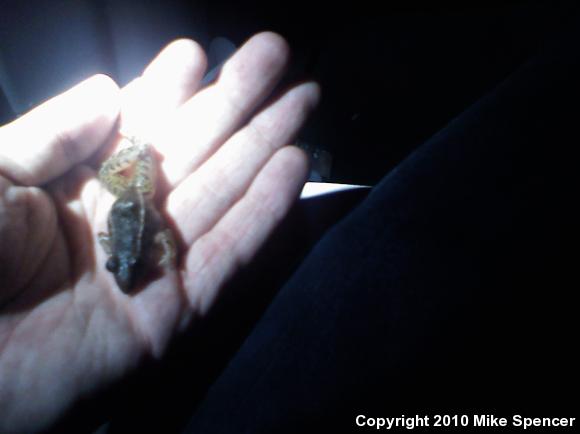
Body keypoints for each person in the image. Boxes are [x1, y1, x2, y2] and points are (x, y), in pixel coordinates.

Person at [1, 24, 577, 432]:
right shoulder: (123, 244)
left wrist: (145, 235)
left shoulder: (125, 217)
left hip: (130, 205)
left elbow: (131, 228)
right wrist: (147, 244)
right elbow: (131, 237)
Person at [0, 32, 320, 432]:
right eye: (122, 265)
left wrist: (153, 246)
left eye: (117, 265)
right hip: (133, 202)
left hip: (135, 198)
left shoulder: (128, 249)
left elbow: (138, 236)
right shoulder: (127, 251)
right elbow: (146, 239)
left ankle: (138, 149)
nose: (120, 269)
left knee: (119, 170)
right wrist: (160, 250)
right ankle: (137, 151)